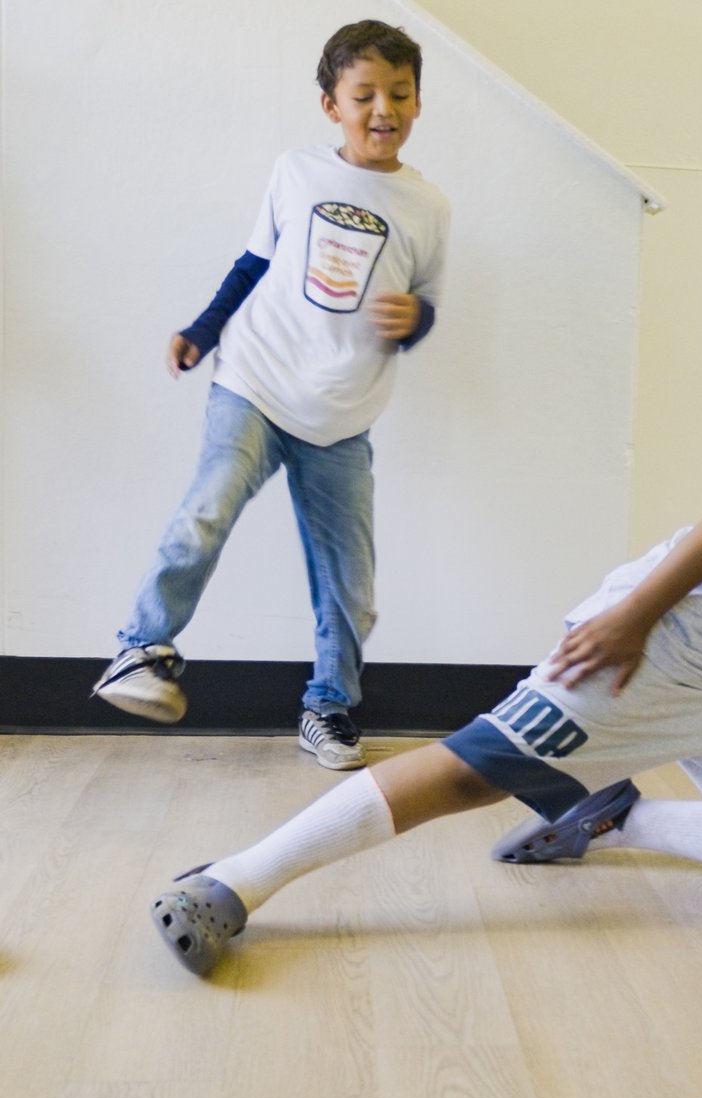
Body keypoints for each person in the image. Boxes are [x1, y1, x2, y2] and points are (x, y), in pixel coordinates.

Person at [149, 318, 702, 977]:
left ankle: (620, 819)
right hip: (660, 640)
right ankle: (231, 884)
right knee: (474, 772)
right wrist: (634, 616)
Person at [91, 20, 450, 771]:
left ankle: (329, 706)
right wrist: (201, 327)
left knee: (351, 584)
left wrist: (413, 318)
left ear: (418, 104)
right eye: (364, 95)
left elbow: (427, 305)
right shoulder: (296, 172)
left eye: (400, 93)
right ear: (331, 106)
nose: (383, 108)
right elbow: (253, 262)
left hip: (343, 415)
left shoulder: (429, 207)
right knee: (207, 508)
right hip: (252, 381)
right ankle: (140, 649)